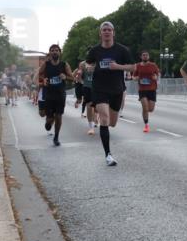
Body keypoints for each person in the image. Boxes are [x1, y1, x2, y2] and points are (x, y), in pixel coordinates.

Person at [84, 22, 135, 166]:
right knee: (105, 119)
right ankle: (108, 155)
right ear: (100, 33)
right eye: (104, 30)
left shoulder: (122, 50)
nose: (106, 32)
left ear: (113, 33)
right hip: (99, 89)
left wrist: (117, 67)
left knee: (112, 123)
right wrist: (90, 67)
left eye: (109, 30)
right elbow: (87, 64)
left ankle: (104, 119)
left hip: (117, 90)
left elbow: (133, 67)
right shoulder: (95, 50)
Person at [40, 44, 72, 146]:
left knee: (59, 116)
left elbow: (72, 78)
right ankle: (48, 121)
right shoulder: (46, 64)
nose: (54, 52)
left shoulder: (64, 65)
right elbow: (39, 74)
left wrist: (65, 77)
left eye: (56, 50)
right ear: (50, 53)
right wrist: (43, 80)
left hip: (60, 95)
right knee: (49, 119)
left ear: (60, 52)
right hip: (49, 94)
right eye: (52, 50)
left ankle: (56, 137)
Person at [133, 51, 160, 133]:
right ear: (141, 57)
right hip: (142, 90)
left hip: (152, 89)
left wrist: (156, 77)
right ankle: (146, 125)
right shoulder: (137, 66)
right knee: (145, 107)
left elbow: (158, 75)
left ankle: (145, 113)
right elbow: (133, 76)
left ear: (149, 57)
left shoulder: (153, 65)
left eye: (146, 55)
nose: (145, 56)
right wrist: (136, 78)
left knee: (150, 109)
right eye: (143, 55)